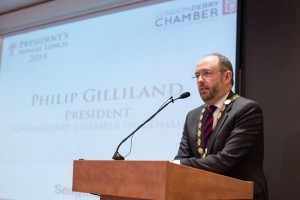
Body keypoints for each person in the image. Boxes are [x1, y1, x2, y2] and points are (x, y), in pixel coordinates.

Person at [174, 53, 268, 200]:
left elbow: (226, 159)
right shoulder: (193, 116)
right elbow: (182, 156)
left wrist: (178, 164)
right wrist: (176, 164)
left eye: (206, 73)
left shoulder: (247, 109)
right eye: (197, 75)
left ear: (227, 76)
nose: (200, 80)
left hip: (241, 195)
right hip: (200, 194)